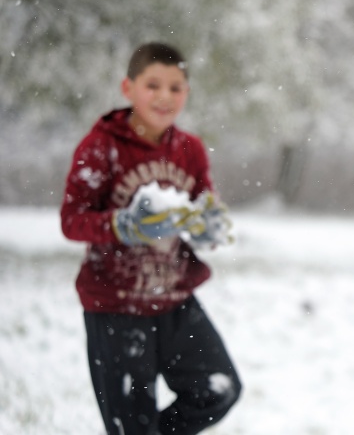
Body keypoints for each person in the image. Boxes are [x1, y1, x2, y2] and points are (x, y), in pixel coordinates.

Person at [60, 42, 242, 435]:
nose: (164, 96)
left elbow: (203, 209)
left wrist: (205, 229)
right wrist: (122, 225)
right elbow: (72, 221)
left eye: (175, 87)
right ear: (128, 88)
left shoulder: (190, 150)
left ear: (186, 93)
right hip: (116, 306)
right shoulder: (100, 147)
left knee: (219, 390)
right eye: (153, 85)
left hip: (175, 301)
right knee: (131, 424)